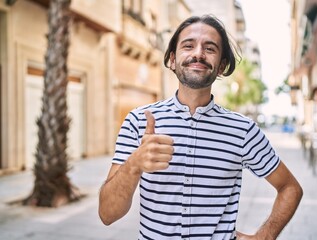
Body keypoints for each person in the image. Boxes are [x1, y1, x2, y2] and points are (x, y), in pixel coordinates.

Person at [98, 15, 303, 240]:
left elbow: (290, 188)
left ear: (222, 66)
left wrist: (265, 236)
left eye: (210, 48)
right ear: (172, 60)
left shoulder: (243, 130)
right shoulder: (138, 121)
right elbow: (107, 214)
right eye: (188, 45)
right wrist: (134, 164)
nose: (198, 53)